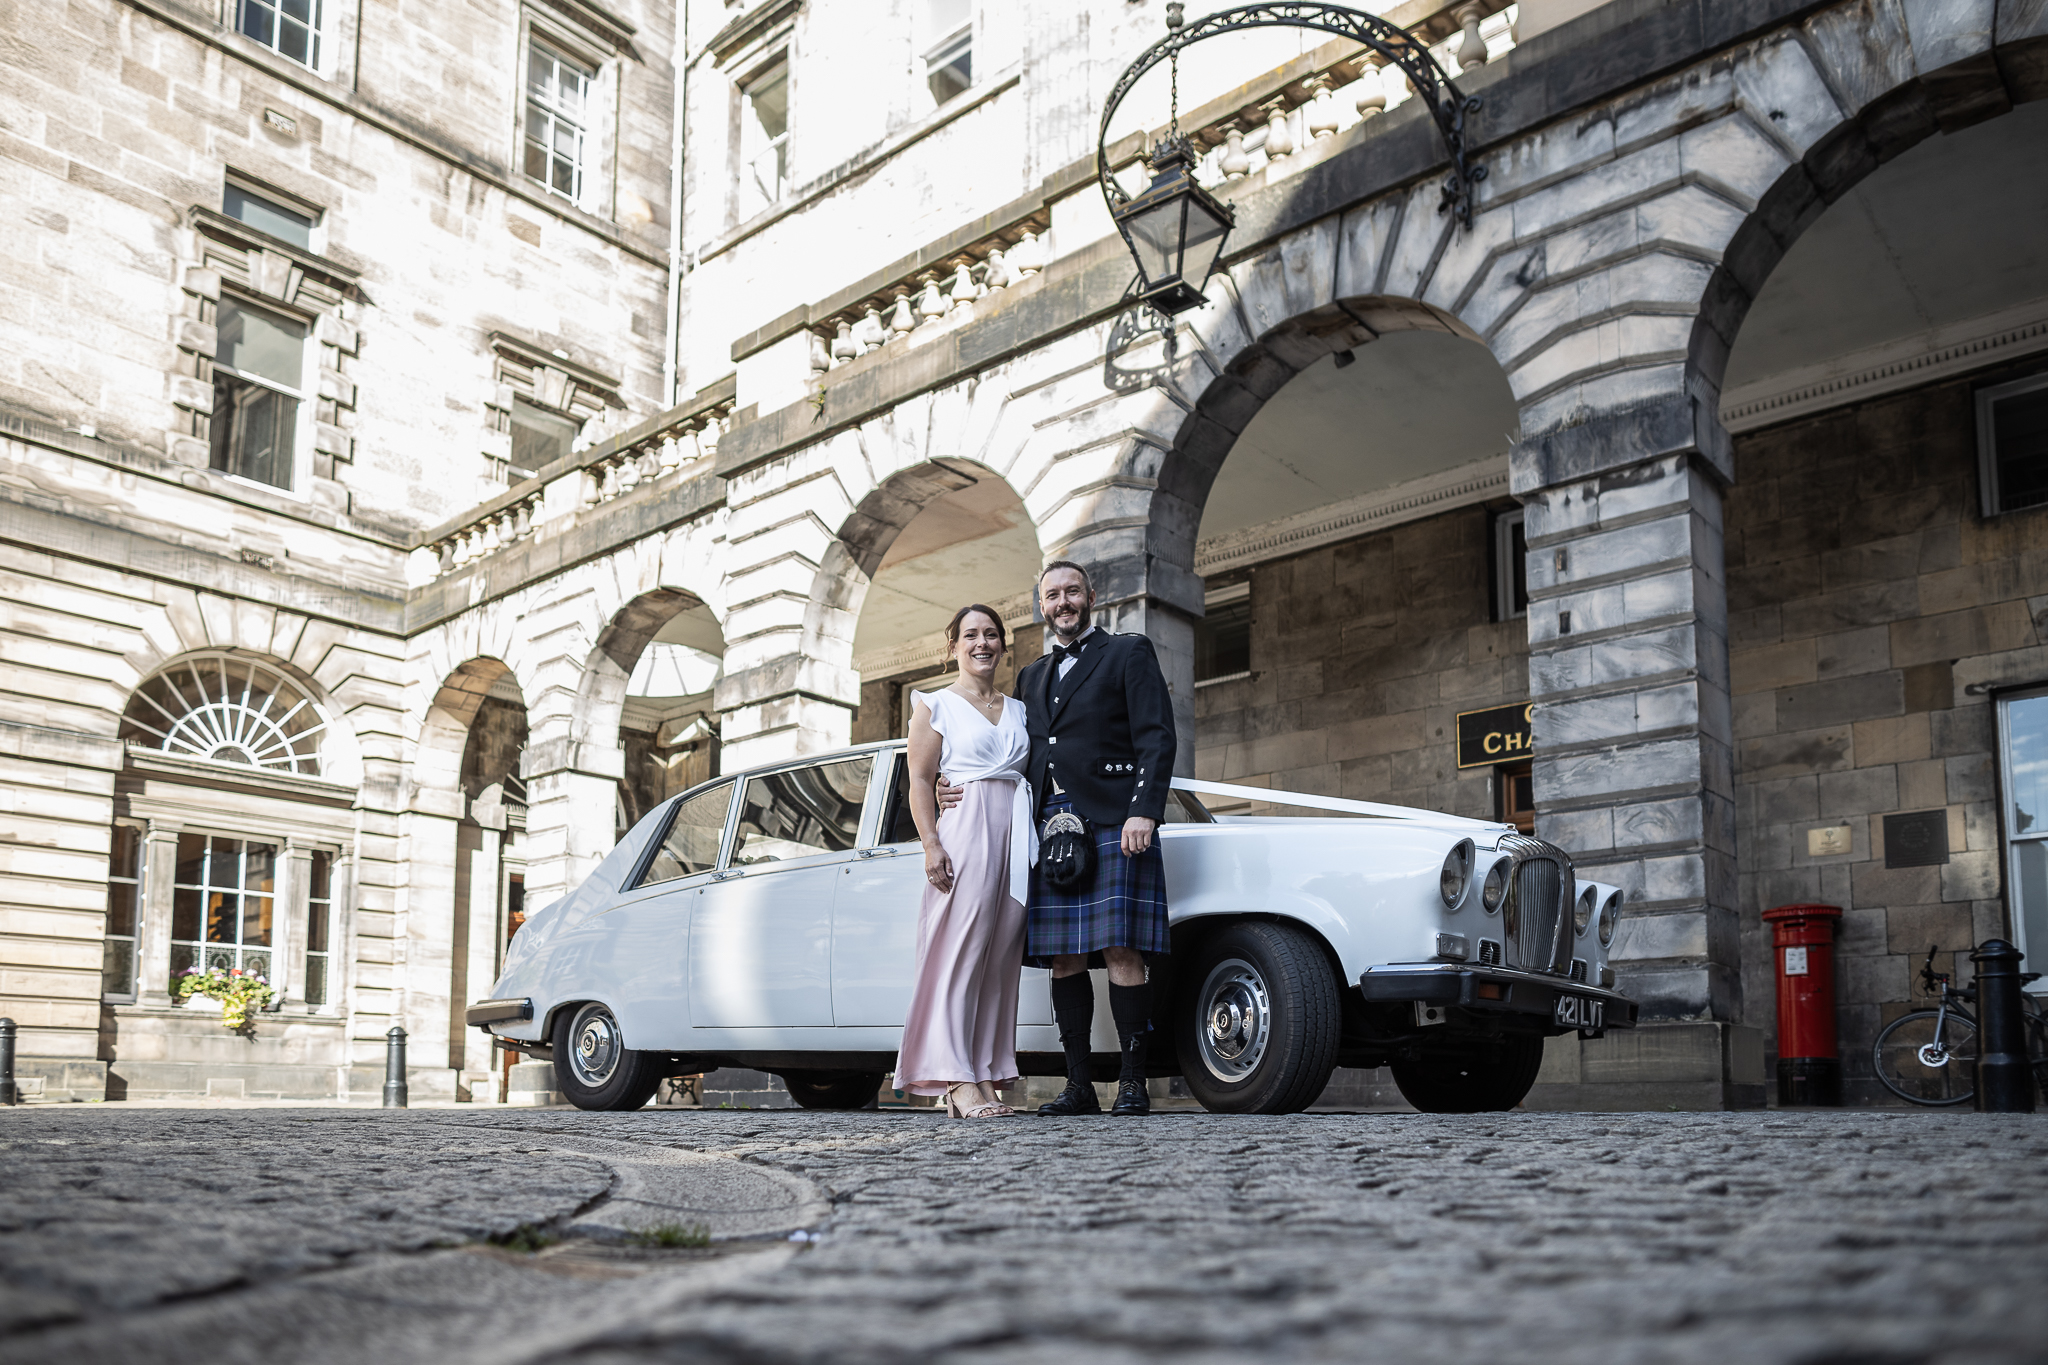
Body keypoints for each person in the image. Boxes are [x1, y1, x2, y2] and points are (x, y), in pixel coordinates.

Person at [948, 560, 1176, 1117]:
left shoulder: (1128, 652)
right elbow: (1009, 753)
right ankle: (1078, 1087)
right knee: (1063, 956)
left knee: (1122, 949)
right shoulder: (1031, 676)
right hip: (1049, 825)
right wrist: (942, 785)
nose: (1063, 602)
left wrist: (1143, 811)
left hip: (1113, 820)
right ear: (1041, 606)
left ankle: (1132, 1082)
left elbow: (1157, 736)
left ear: (1090, 596)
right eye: (1053, 595)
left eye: (1072, 591)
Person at [892, 604, 1035, 1118]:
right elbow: (921, 781)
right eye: (971, 635)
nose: (982, 643)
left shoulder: (1019, 710)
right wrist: (932, 842)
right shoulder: (934, 705)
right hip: (964, 833)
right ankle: (954, 1078)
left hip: (1015, 836)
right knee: (960, 954)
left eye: (991, 634)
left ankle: (990, 1074)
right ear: (952, 645)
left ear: (1002, 644)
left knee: (999, 961)